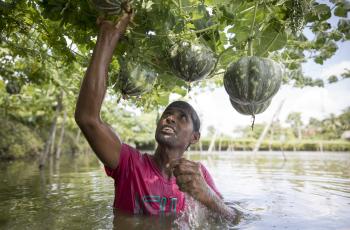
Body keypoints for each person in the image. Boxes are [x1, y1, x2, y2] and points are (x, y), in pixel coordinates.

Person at [74, 8, 237, 219]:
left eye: (182, 117)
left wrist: (206, 194)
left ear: (195, 137)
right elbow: (88, 118)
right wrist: (109, 34)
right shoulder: (129, 164)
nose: (170, 118)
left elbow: (231, 218)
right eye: (168, 114)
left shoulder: (198, 174)